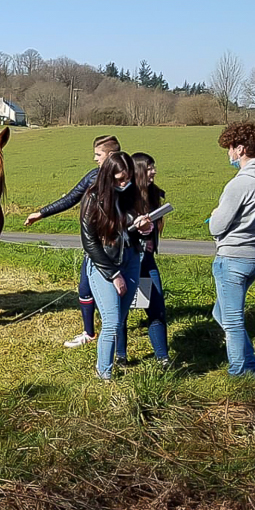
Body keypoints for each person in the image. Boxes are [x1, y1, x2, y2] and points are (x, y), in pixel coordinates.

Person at [25, 135, 121, 349]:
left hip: (114, 249)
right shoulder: (92, 177)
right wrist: (41, 213)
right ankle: (90, 332)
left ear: (111, 155)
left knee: (116, 295)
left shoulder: (124, 181)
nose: (95, 158)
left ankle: (115, 337)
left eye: (98, 154)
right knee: (84, 289)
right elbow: (70, 198)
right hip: (92, 247)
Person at [209, 123, 255, 386]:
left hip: (233, 257)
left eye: (230, 148)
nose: (228, 154)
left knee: (233, 320)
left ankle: (241, 372)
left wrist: (215, 216)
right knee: (221, 313)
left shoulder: (240, 183)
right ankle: (250, 366)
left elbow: (217, 225)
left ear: (240, 149)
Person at [80, 151, 152, 381]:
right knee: (111, 323)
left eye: (128, 178)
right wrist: (113, 275)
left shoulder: (130, 193)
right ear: (108, 177)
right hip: (104, 264)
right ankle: (104, 374)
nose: (124, 183)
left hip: (130, 259)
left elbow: (129, 225)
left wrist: (144, 230)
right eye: (119, 179)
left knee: (121, 319)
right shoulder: (92, 199)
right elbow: (89, 242)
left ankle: (109, 364)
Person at [118, 152, 170, 366]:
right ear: (138, 170)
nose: (154, 172)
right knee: (120, 311)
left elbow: (158, 226)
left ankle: (163, 358)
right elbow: (115, 229)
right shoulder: (123, 197)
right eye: (149, 168)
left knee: (156, 307)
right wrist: (136, 232)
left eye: (154, 167)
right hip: (126, 260)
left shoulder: (154, 193)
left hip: (147, 261)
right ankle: (120, 356)